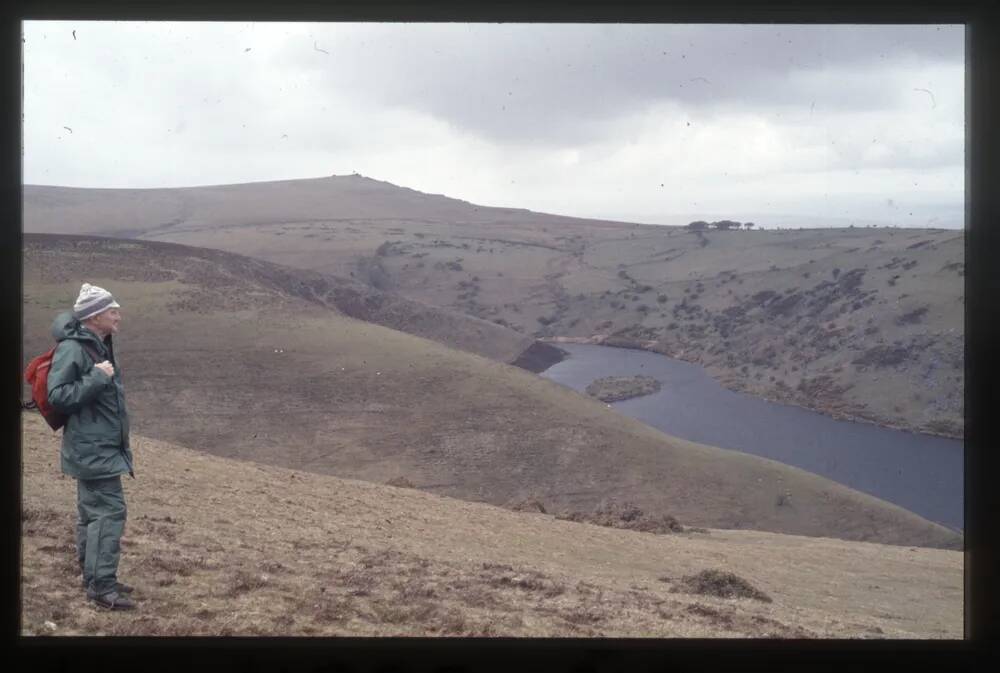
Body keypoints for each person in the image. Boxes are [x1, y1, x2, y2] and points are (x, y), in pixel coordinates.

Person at [47, 283, 136, 610]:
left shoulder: (97, 344)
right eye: (113, 311)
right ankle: (102, 588)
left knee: (91, 515)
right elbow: (58, 396)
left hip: (96, 448)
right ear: (95, 315)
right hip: (93, 450)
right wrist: (98, 377)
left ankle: (93, 577)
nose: (118, 316)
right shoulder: (74, 348)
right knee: (108, 513)